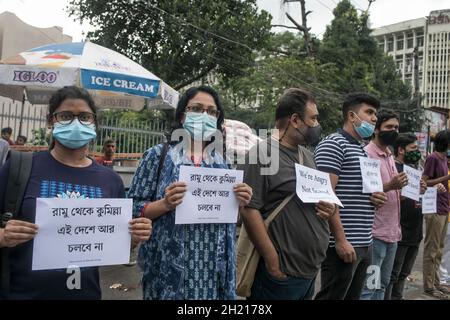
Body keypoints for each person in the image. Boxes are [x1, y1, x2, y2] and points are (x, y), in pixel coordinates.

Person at [0, 86, 152, 300]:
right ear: (51, 122)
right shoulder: (19, 167)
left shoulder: (110, 180)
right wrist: (4, 236)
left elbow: (116, 247)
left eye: (84, 116)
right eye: (65, 116)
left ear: (94, 123)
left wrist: (134, 238)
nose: (75, 122)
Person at [127, 85, 253, 300]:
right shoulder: (157, 156)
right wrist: (165, 204)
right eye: (197, 108)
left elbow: (232, 217)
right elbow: (132, 210)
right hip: (168, 270)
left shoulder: (222, 162)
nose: (205, 115)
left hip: (213, 270)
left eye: (212, 111)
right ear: (183, 116)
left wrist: (241, 201)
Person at [239, 88, 335, 300]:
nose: (317, 125)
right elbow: (249, 209)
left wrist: (327, 208)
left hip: (309, 271)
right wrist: (273, 261)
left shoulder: (307, 156)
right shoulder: (262, 154)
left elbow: (314, 200)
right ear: (295, 120)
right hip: (280, 277)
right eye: (314, 118)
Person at [314, 93, 387, 300]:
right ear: (352, 116)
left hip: (364, 242)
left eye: (376, 114)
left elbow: (356, 193)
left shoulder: (362, 150)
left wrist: (375, 199)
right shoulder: (333, 144)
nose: (374, 118)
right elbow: (325, 195)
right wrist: (340, 239)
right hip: (344, 244)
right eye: (369, 112)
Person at [385, 133, 438, 300]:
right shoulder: (393, 169)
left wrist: (425, 189)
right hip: (400, 231)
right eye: (413, 148)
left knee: (403, 274)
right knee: (391, 276)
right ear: (401, 150)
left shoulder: (415, 169)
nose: (417, 152)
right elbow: (388, 197)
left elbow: (419, 194)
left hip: (415, 232)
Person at [360, 110, 405, 300]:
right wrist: (390, 186)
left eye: (396, 127)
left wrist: (410, 190)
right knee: (370, 286)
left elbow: (394, 195)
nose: (393, 131)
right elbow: (366, 193)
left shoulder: (389, 155)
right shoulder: (367, 154)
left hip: (392, 234)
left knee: (383, 284)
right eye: (389, 127)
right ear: (377, 129)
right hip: (375, 234)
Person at [422, 129, 450, 299]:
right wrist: (444, 179)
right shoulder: (433, 158)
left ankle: (437, 282)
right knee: (431, 249)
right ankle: (428, 286)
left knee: (439, 249)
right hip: (434, 207)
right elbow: (424, 181)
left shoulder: (444, 158)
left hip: (444, 207)